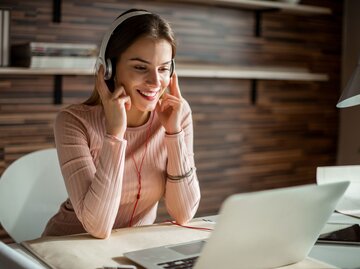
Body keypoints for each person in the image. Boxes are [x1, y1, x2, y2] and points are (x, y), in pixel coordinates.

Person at [42, 9, 201, 239]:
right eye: (140, 67)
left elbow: (184, 214)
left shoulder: (177, 114)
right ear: (109, 69)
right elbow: (98, 227)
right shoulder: (73, 122)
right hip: (65, 248)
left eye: (164, 68)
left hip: (129, 251)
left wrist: (174, 133)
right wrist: (115, 135)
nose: (155, 82)